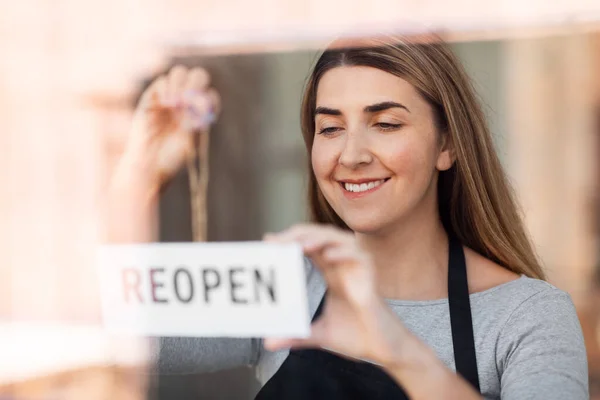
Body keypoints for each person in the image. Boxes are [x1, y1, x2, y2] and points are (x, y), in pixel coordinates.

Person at [105, 35, 589, 399]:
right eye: (330, 127)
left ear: (447, 144)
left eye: (386, 123)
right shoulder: (288, 285)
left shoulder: (526, 317)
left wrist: (393, 347)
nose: (351, 154)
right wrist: (138, 173)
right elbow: (105, 327)